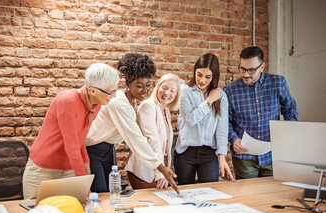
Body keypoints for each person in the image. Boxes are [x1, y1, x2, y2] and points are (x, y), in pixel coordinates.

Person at [85, 53, 179, 194]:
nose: (145, 90)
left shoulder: (132, 102)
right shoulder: (119, 102)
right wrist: (161, 167)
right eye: (139, 86)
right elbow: (135, 139)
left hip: (108, 150)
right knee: (100, 195)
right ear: (128, 84)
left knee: (111, 194)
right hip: (93, 150)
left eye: (148, 85)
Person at [22, 63, 119, 199]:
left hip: (69, 168)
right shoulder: (68, 101)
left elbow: (80, 139)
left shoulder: (95, 106)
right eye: (110, 92)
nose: (113, 96)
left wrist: (86, 164)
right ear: (92, 91)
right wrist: (83, 184)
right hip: (44, 169)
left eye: (115, 91)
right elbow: (72, 147)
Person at [224, 46, 298, 179]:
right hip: (244, 157)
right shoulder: (230, 90)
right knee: (249, 197)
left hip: (272, 154)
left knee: (272, 195)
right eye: (242, 69)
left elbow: (290, 108)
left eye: (251, 70)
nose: (246, 74)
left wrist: (288, 129)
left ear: (262, 67)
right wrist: (233, 138)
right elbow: (225, 122)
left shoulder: (278, 83)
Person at [174, 53, 235, 185]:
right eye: (199, 74)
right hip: (185, 152)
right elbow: (190, 119)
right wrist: (208, 101)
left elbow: (222, 128)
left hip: (208, 154)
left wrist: (222, 156)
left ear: (214, 76)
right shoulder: (185, 91)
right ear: (194, 71)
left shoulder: (221, 96)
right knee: (185, 193)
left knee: (210, 193)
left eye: (208, 77)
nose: (202, 80)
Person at [125, 73, 182, 189]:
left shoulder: (165, 111)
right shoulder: (148, 106)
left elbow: (165, 146)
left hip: (158, 170)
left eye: (172, 91)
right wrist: (160, 173)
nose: (167, 93)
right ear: (158, 87)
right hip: (144, 170)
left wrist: (164, 170)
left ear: (176, 95)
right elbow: (153, 141)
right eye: (164, 88)